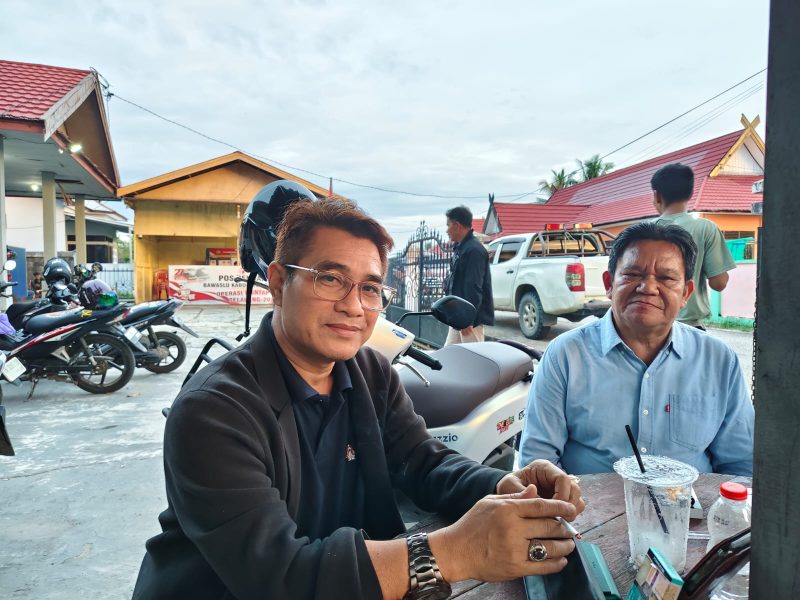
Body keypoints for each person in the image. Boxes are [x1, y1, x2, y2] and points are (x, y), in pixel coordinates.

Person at [133, 182, 585, 600]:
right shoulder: (213, 411)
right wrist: (453, 552)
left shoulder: (368, 371)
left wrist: (505, 486)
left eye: (370, 288)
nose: (353, 305)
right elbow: (279, 576)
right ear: (276, 282)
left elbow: (421, 461)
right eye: (329, 278)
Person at [519, 221, 754, 477]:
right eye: (632, 275)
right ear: (609, 283)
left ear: (686, 293)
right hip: (588, 512)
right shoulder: (565, 356)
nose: (648, 288)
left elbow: (740, 465)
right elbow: (538, 462)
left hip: (690, 514)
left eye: (665, 278)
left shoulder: (718, 360)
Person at [651, 163, 737, 329]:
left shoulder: (640, 231)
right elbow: (719, 283)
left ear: (657, 195)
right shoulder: (705, 228)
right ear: (690, 194)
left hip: (650, 325)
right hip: (690, 327)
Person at [444, 205, 494, 344]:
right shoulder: (462, 249)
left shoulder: (474, 251)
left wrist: (468, 319)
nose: (447, 230)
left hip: (469, 321)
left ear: (457, 225)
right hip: (458, 316)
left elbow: (474, 287)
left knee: (475, 360)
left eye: (448, 225)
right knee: (448, 356)